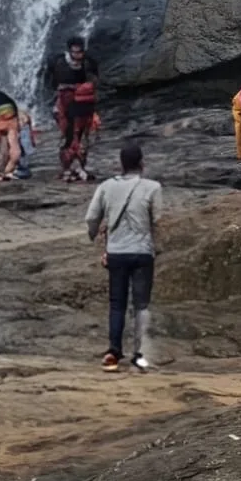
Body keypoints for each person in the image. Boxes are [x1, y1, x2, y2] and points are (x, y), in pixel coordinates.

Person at [85, 142, 162, 372]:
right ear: (142, 163)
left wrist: (94, 236)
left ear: (121, 164)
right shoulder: (153, 187)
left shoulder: (106, 186)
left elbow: (91, 217)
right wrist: (156, 246)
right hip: (142, 252)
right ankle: (140, 355)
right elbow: (157, 221)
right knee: (141, 305)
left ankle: (113, 352)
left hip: (117, 252)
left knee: (116, 304)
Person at [49, 38, 101, 182]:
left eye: (80, 51)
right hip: (65, 106)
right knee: (68, 137)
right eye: (75, 52)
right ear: (70, 51)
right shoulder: (59, 62)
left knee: (83, 138)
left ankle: (81, 166)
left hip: (85, 105)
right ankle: (66, 168)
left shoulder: (88, 63)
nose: (78, 55)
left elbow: (95, 81)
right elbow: (54, 82)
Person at [0, 88, 38, 180]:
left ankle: (19, 170)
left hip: (16, 126)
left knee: (18, 148)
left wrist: (5, 171)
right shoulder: (14, 120)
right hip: (15, 120)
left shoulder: (11, 125)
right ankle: (14, 169)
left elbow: (16, 152)